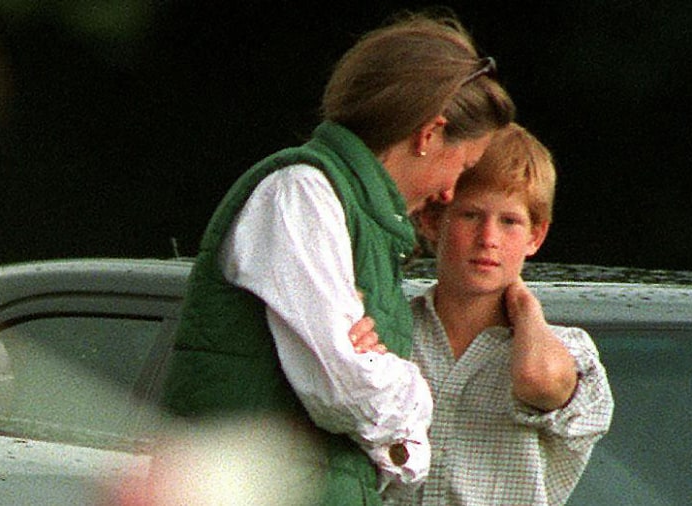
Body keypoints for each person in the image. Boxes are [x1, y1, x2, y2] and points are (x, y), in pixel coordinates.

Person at [158, 9, 515, 506]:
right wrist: (410, 397)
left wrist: (377, 363)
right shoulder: (301, 194)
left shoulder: (356, 216)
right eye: (464, 165)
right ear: (429, 134)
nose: (451, 192)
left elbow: (351, 375)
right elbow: (344, 384)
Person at [352, 123, 614, 505]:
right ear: (431, 222)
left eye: (510, 222)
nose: (488, 238)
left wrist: (525, 309)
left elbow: (539, 383)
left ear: (535, 236)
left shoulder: (566, 352)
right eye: (471, 216)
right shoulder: (393, 327)